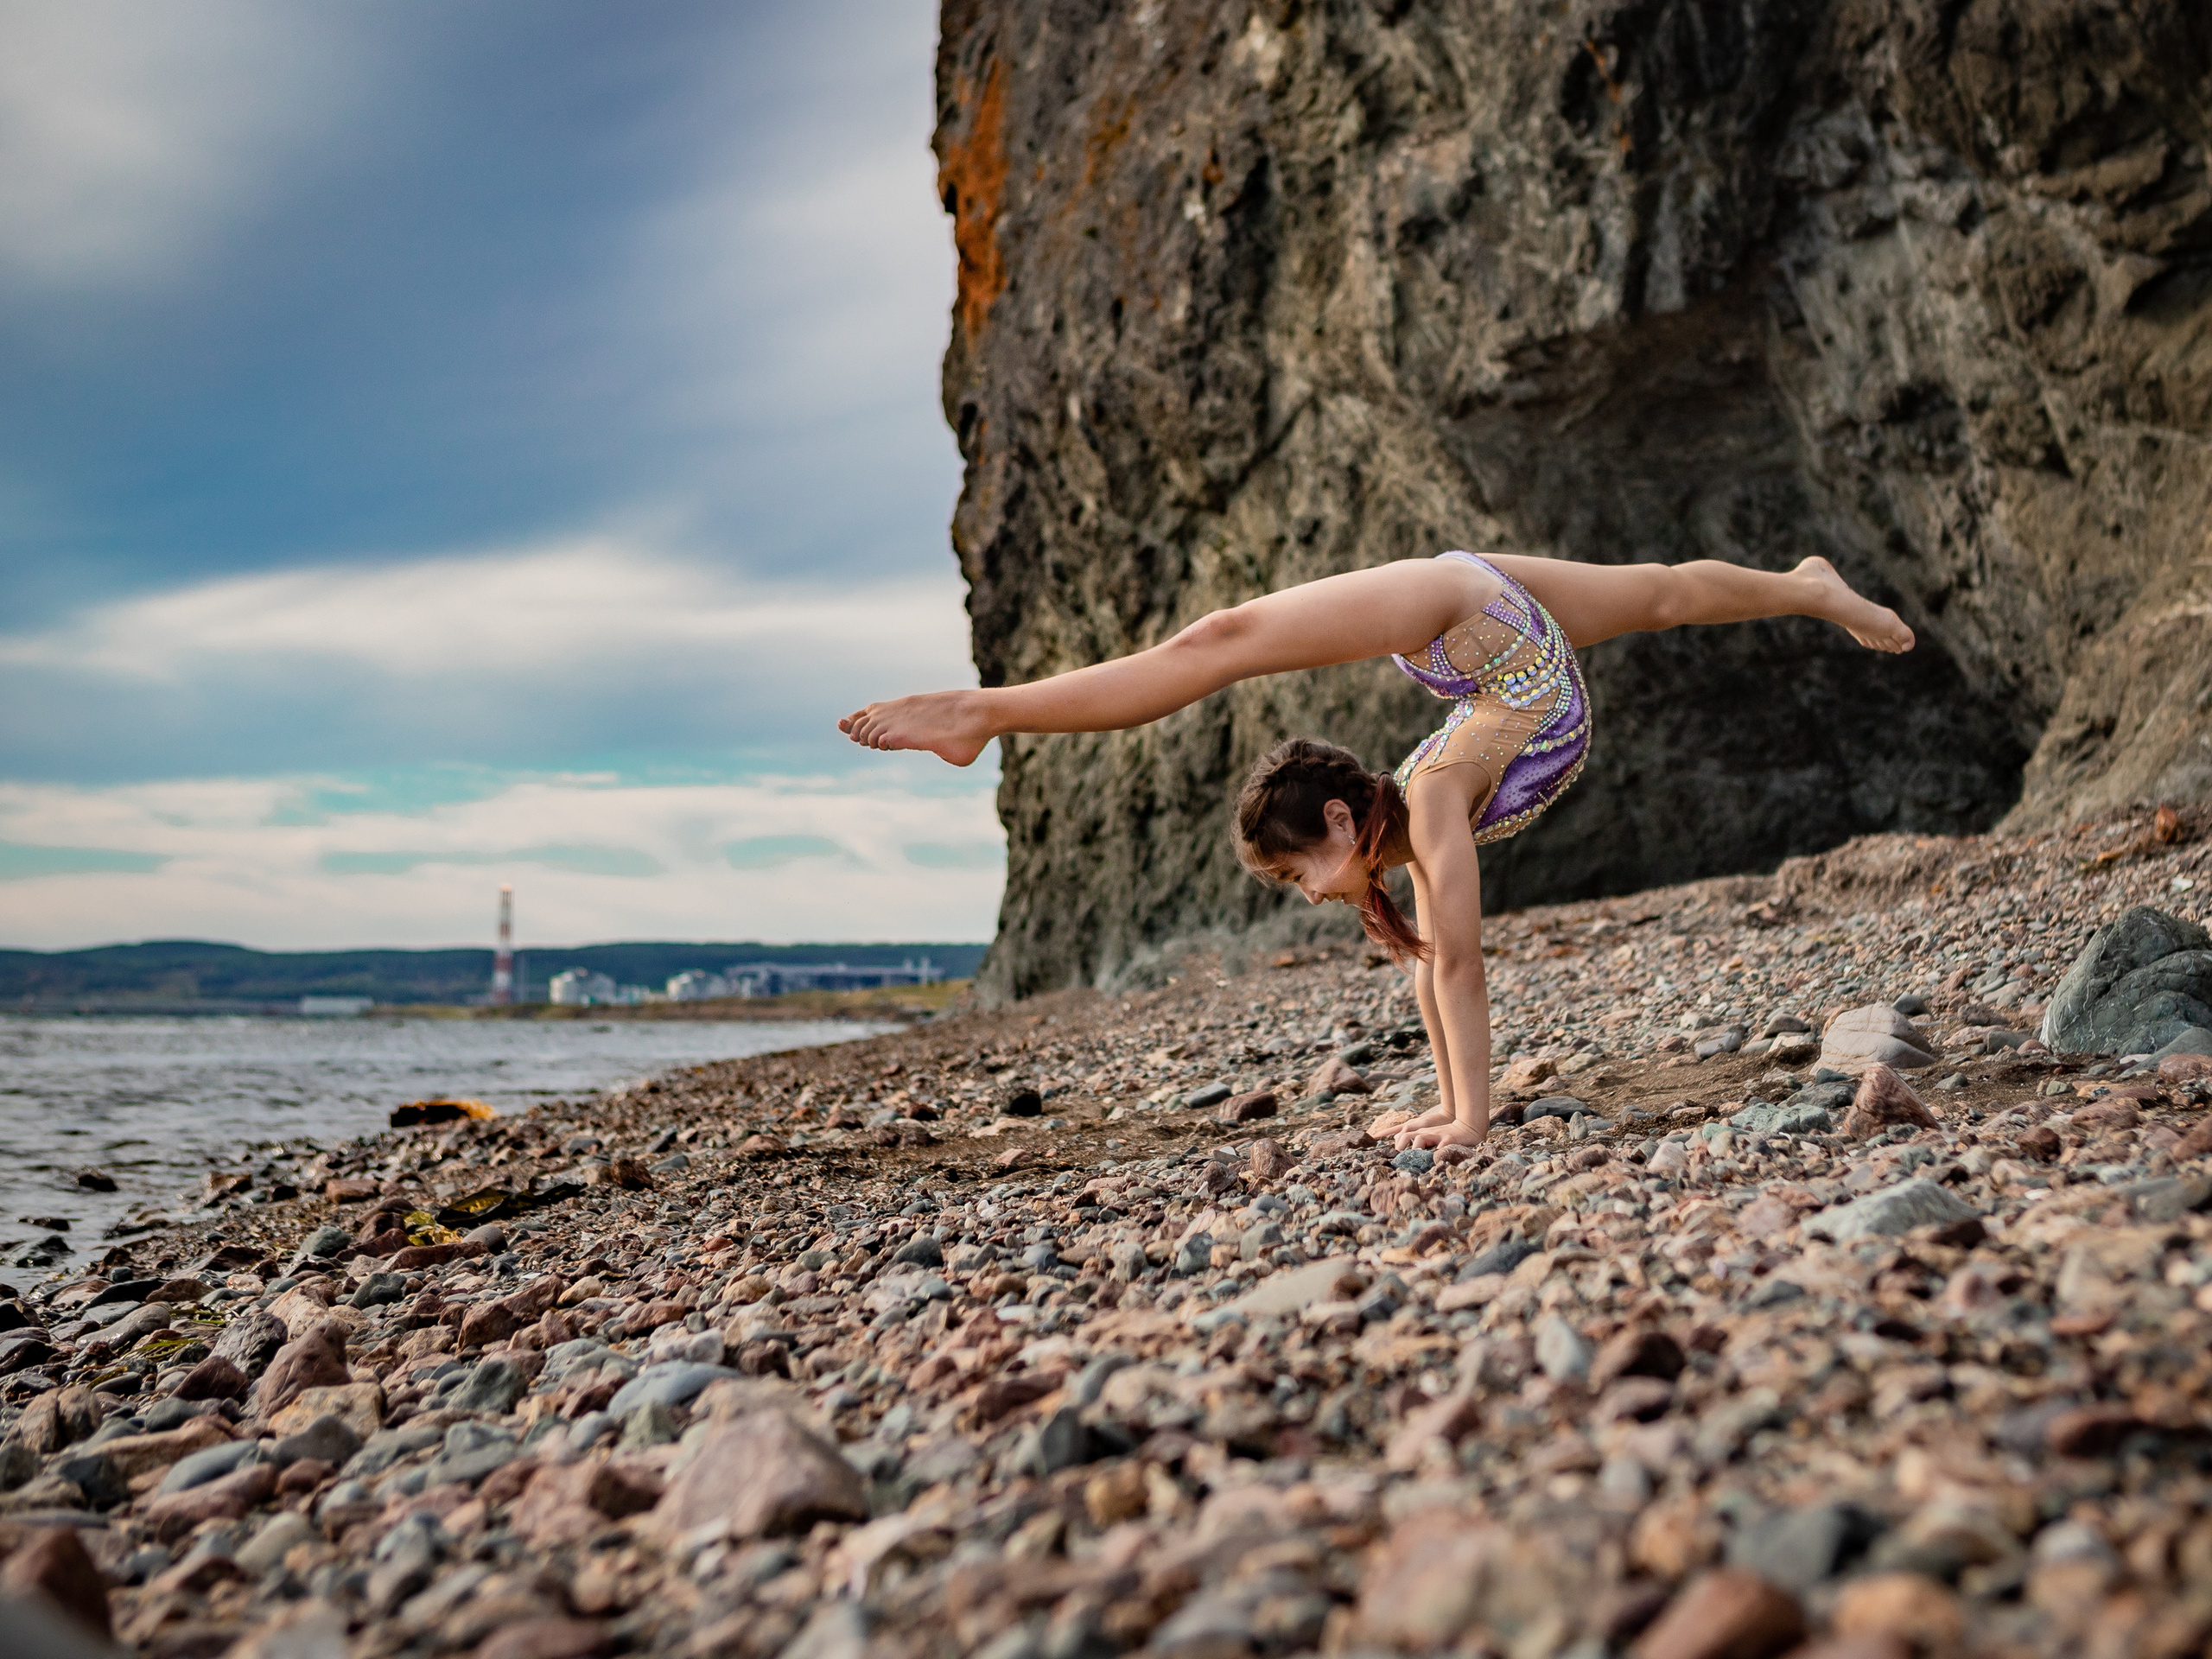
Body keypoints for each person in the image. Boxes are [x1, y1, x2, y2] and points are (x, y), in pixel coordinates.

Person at [840, 550, 1913, 1148]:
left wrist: (1474, 1121)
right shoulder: (1412, 805)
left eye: (1295, 869)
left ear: (1341, 823)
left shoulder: (1432, 797)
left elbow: (1465, 963)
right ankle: (1807, 587)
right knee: (1666, 595)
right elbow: (1428, 967)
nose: (1306, 894)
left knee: (1219, 641)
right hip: (1495, 645)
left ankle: (981, 710)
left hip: (1464, 616)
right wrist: (1446, 1107)